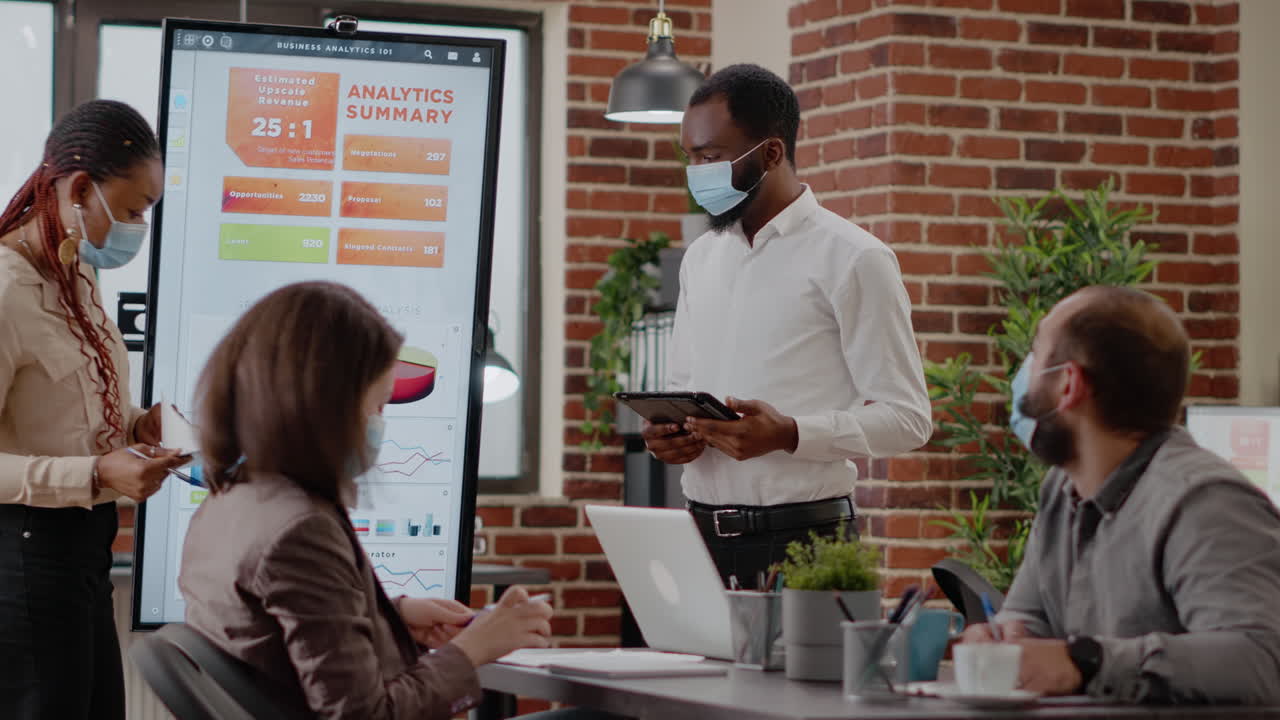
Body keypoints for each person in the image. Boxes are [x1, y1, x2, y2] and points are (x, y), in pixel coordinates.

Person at [179, 282, 557, 719]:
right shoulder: (299, 531)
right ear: (324, 407)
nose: (379, 424)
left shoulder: (226, 503)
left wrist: (394, 617)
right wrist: (473, 649)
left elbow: (279, 637)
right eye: (377, 407)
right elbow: (365, 715)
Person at [645, 64, 932, 584]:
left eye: (709, 157)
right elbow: (684, 387)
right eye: (689, 157)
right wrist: (670, 435)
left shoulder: (855, 258)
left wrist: (790, 434)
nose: (696, 173)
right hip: (699, 537)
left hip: (805, 542)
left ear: (771, 153)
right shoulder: (701, 258)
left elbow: (909, 419)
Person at [960, 286, 1280, 705]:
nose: (1023, 377)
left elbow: (1261, 660)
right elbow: (1028, 618)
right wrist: (1003, 641)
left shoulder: (1204, 501)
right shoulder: (1063, 488)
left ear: (1069, 384)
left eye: (1036, 355)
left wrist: (1088, 662)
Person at [0, 99, 188, 719]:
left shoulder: (76, 275)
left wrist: (137, 424)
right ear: (81, 189)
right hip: (24, 563)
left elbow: (71, 408)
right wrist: (96, 474)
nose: (139, 227)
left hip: (85, 554)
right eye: (133, 210)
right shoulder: (5, 292)